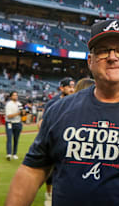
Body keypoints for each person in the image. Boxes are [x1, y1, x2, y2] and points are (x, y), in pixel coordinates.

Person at [5, 19, 119, 206]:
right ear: (90, 61)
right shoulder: (60, 110)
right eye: (102, 50)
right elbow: (31, 171)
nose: (112, 57)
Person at [38, 76, 76, 205]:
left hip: (71, 141)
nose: (72, 89)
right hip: (55, 139)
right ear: (61, 88)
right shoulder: (53, 102)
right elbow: (43, 122)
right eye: (69, 86)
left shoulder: (77, 100)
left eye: (73, 86)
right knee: (50, 171)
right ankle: (49, 194)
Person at [5, 91, 24, 160]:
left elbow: (22, 115)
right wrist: (18, 113)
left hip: (18, 123)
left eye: (16, 95)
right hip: (10, 122)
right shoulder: (9, 104)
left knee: (16, 139)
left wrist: (24, 113)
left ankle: (14, 153)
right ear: (11, 97)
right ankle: (9, 154)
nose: (15, 96)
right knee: (9, 138)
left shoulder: (19, 104)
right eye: (14, 95)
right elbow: (9, 116)